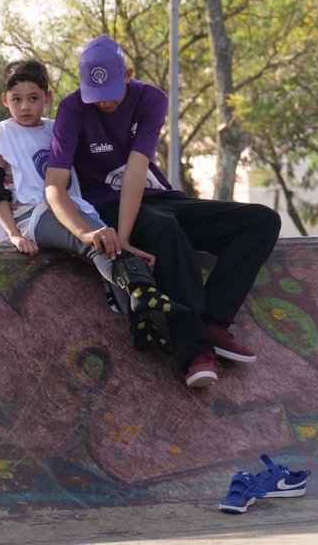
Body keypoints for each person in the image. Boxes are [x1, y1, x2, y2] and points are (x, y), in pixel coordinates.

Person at [45, 35, 281, 388]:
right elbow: (54, 185)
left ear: (128, 74)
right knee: (164, 227)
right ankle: (195, 352)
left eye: (111, 92)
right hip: (107, 204)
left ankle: (213, 321)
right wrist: (93, 233)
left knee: (262, 221)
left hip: (160, 197)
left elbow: (136, 169)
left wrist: (126, 237)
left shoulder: (151, 98)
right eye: (96, 95)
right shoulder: (72, 108)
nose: (104, 102)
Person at [0, 59, 189, 352]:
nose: (25, 107)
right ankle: (141, 293)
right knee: (95, 243)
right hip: (32, 216)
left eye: (33, 98)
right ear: (5, 100)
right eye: (16, 99)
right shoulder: (3, 132)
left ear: (48, 97)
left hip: (70, 207)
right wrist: (13, 234)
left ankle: (142, 326)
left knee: (112, 241)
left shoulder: (54, 128)